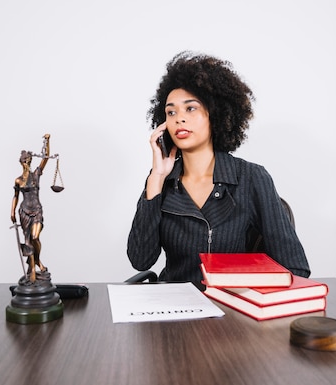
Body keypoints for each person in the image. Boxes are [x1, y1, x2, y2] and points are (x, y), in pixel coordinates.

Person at [127, 52, 310, 286]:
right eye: (171, 112)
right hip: (174, 308)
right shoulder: (160, 181)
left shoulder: (251, 178)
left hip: (232, 309)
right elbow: (140, 260)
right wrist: (157, 177)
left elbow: (296, 268)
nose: (179, 119)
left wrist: (251, 300)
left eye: (190, 109)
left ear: (215, 114)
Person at [11, 134, 50, 283]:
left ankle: (37, 261)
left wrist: (47, 141)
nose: (26, 162)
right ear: (21, 162)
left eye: (28, 160)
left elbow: (45, 158)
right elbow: (15, 196)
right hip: (24, 212)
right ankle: (33, 268)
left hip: (37, 211)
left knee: (35, 237)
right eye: (24, 160)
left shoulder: (36, 175)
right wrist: (12, 211)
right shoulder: (19, 180)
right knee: (28, 241)